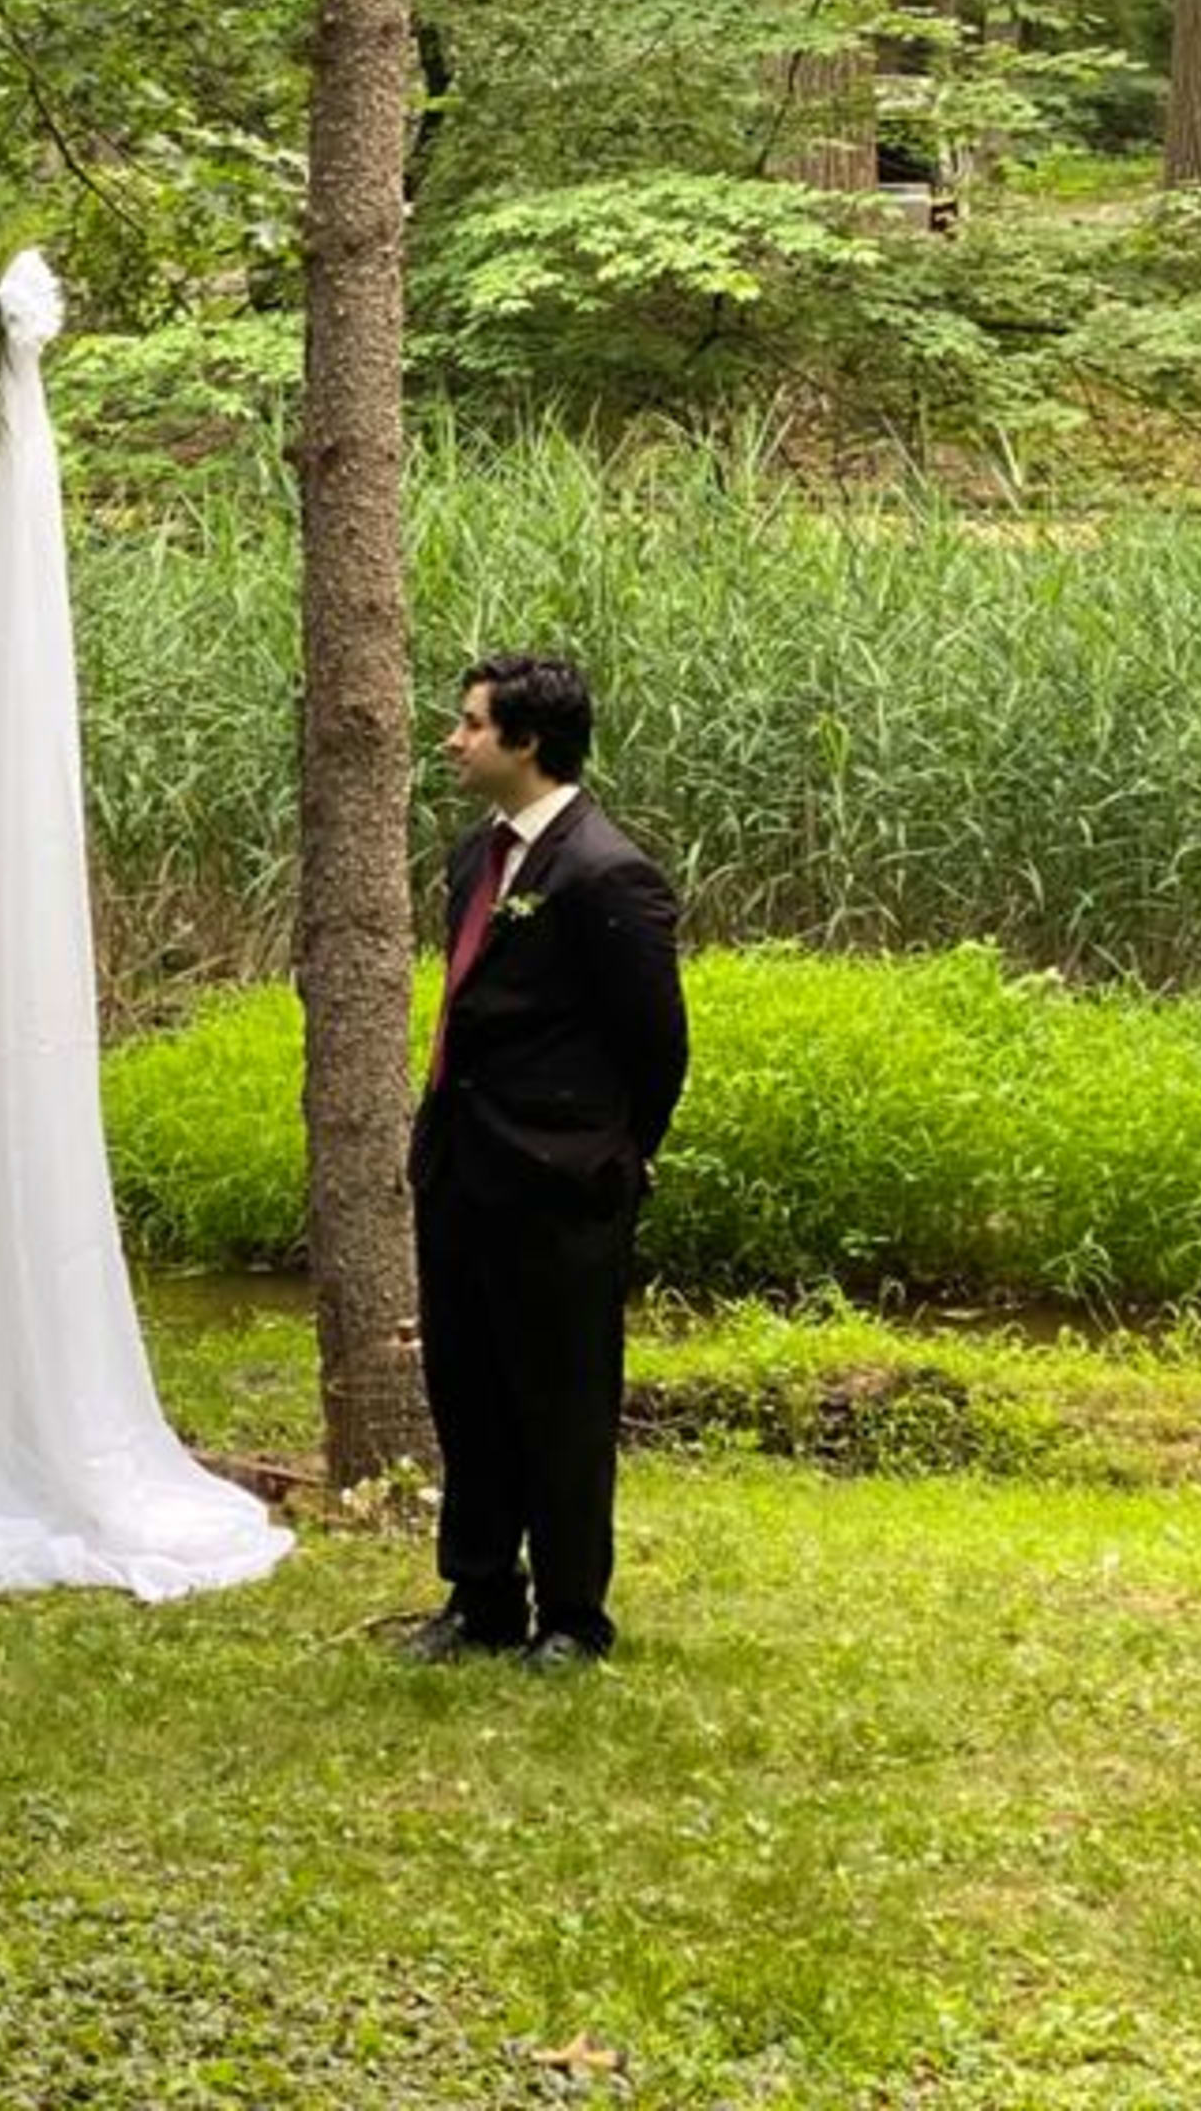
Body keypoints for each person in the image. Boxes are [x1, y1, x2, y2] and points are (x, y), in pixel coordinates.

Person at [398, 652, 689, 1671]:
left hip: (559, 1185)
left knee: (560, 1401)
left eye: (471, 725)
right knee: (467, 1389)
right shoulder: (474, 860)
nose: (454, 739)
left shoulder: (607, 872)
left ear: (526, 742)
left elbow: (657, 1046)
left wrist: (608, 1157)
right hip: (461, 1169)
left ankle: (572, 1615)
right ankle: (480, 1596)